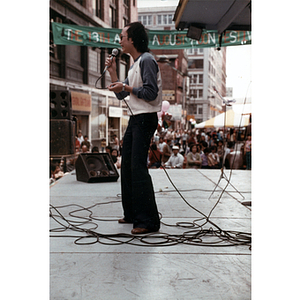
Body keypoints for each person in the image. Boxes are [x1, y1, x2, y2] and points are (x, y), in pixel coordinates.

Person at [106, 22, 162, 234]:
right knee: (128, 165)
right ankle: (132, 213)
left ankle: (148, 221)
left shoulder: (147, 60)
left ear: (132, 39)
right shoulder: (134, 64)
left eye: (122, 36)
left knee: (137, 167)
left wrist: (127, 86)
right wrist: (113, 73)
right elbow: (122, 95)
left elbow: (150, 93)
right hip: (135, 118)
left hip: (145, 118)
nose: (119, 41)